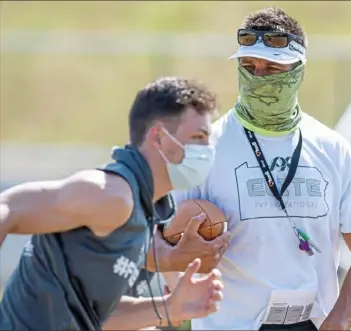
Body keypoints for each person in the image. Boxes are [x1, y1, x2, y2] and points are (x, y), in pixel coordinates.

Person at [165, 7, 351, 331]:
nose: (258, 77)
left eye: (272, 68)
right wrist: (183, 259)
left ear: (298, 70)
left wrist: (338, 322)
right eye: (248, 66)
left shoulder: (333, 149)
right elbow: (162, 246)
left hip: (312, 322)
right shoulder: (201, 150)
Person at [0, 77, 227, 330]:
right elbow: (9, 206)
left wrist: (170, 307)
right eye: (198, 136)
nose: (207, 149)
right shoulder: (112, 195)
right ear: (159, 138)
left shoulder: (144, 207)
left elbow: (96, 315)